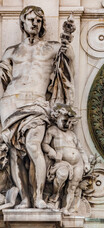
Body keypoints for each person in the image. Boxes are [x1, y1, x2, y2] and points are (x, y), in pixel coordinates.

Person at [0, 6, 74, 209]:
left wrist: (67, 40)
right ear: (22, 22)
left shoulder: (52, 47)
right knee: (15, 152)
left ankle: (39, 197)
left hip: (37, 102)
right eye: (31, 19)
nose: (35, 23)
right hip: (11, 102)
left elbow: (67, 64)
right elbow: (3, 77)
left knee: (34, 146)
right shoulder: (11, 51)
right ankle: (25, 199)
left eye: (39, 21)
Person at [42, 104, 90, 215]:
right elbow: (45, 144)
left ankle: (66, 208)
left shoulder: (72, 134)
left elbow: (80, 149)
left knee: (73, 186)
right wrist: (53, 153)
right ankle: (54, 198)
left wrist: (86, 162)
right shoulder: (52, 130)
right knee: (62, 175)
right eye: (64, 121)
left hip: (78, 163)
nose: (67, 124)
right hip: (62, 162)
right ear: (56, 118)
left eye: (69, 122)